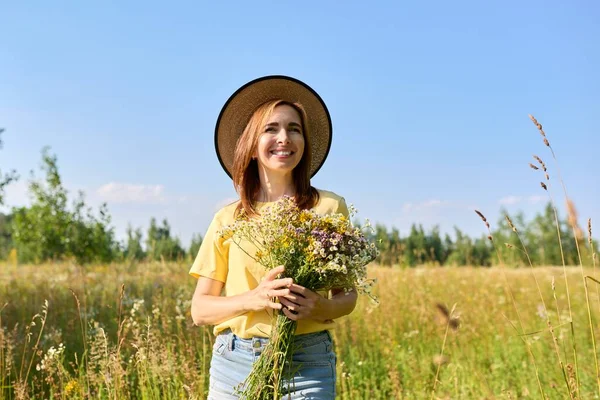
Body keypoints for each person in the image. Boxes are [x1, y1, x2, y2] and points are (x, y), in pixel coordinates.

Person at [190, 75, 357, 399]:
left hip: (308, 360)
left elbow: (347, 297)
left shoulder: (330, 207)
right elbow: (200, 310)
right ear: (252, 146)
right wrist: (253, 299)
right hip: (234, 362)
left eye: (294, 129)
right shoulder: (228, 218)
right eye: (271, 129)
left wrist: (319, 306)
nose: (284, 137)